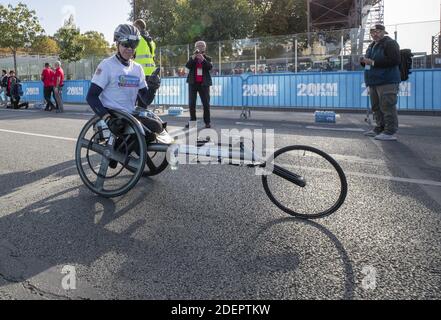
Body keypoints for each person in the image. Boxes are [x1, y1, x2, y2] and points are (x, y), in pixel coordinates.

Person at [86, 23, 163, 144]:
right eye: (125, 44)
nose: (129, 49)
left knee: (157, 126)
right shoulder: (107, 65)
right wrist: (107, 119)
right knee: (144, 136)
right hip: (113, 114)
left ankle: (121, 147)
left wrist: (153, 88)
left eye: (133, 45)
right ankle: (117, 149)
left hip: (129, 115)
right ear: (117, 43)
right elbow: (91, 96)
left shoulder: (137, 68)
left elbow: (146, 100)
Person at [361, 24, 401, 141]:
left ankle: (390, 131)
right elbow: (369, 63)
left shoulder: (390, 43)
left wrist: (373, 62)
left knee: (387, 106)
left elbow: (395, 60)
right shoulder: (372, 45)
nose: (375, 34)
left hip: (387, 80)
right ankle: (380, 128)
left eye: (378, 31)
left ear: (384, 32)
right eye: (373, 32)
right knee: (376, 107)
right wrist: (364, 62)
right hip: (374, 81)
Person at [185, 41, 213, 129]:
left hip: (204, 84)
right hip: (193, 83)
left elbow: (209, 67)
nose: (200, 47)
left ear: (205, 48)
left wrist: (203, 60)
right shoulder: (192, 57)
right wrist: (193, 58)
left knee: (206, 104)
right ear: (195, 47)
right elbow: (188, 66)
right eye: (198, 46)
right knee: (192, 104)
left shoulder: (208, 58)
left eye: (202, 46)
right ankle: (193, 122)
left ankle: (207, 122)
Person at [133, 19, 156, 109]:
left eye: (134, 27)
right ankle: (143, 121)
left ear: (137, 27)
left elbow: (131, 55)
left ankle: (135, 122)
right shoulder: (151, 41)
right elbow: (152, 57)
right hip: (150, 74)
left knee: (133, 101)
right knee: (144, 102)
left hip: (138, 73)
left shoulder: (137, 39)